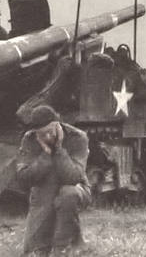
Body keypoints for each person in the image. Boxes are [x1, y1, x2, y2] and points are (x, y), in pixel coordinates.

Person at [16, 105, 91, 256]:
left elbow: (73, 177)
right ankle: (75, 240)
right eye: (42, 134)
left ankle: (61, 248)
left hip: (77, 188)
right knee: (34, 251)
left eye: (51, 131)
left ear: (58, 124)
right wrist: (45, 154)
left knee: (67, 194)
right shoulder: (29, 139)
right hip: (43, 191)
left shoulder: (78, 137)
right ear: (35, 133)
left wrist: (59, 150)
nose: (48, 137)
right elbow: (23, 178)